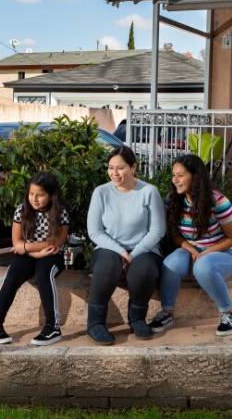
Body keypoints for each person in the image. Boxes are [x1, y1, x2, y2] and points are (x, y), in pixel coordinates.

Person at [149, 154, 232, 336]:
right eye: (173, 175)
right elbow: (174, 233)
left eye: (180, 175)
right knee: (171, 263)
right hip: (191, 252)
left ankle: (228, 314)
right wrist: (189, 248)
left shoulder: (218, 201)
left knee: (203, 266)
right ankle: (167, 312)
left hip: (221, 254)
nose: (175, 180)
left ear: (195, 176)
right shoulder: (174, 199)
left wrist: (206, 253)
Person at [86, 146, 166, 344]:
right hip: (109, 248)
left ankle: (137, 319)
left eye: (120, 168)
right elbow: (95, 231)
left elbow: (157, 231)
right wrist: (121, 251)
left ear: (133, 167)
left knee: (144, 270)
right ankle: (95, 323)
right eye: (111, 168)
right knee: (107, 266)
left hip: (144, 248)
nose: (115, 173)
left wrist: (134, 252)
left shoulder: (148, 192)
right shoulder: (101, 192)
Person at [0, 172, 70, 346]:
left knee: (44, 275)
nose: (35, 199)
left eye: (40, 195)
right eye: (32, 194)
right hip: (32, 254)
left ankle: (52, 327)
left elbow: (55, 242)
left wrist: (26, 248)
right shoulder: (22, 210)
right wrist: (34, 252)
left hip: (52, 255)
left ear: (50, 195)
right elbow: (16, 241)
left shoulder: (60, 212)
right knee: (12, 275)